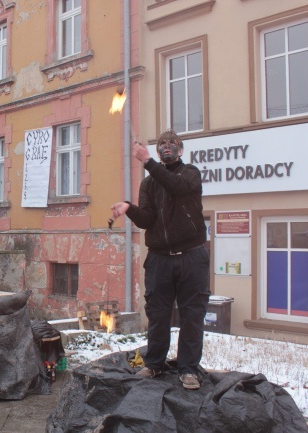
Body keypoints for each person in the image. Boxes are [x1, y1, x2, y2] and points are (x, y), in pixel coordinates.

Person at [110, 130, 209, 391]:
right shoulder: (149, 183)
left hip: (191, 257)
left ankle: (188, 370)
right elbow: (148, 221)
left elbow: (175, 186)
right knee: (158, 314)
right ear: (158, 150)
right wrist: (129, 209)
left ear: (181, 150)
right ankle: (154, 364)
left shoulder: (190, 173)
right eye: (162, 143)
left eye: (172, 143)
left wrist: (147, 163)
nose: (167, 146)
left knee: (192, 315)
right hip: (160, 260)